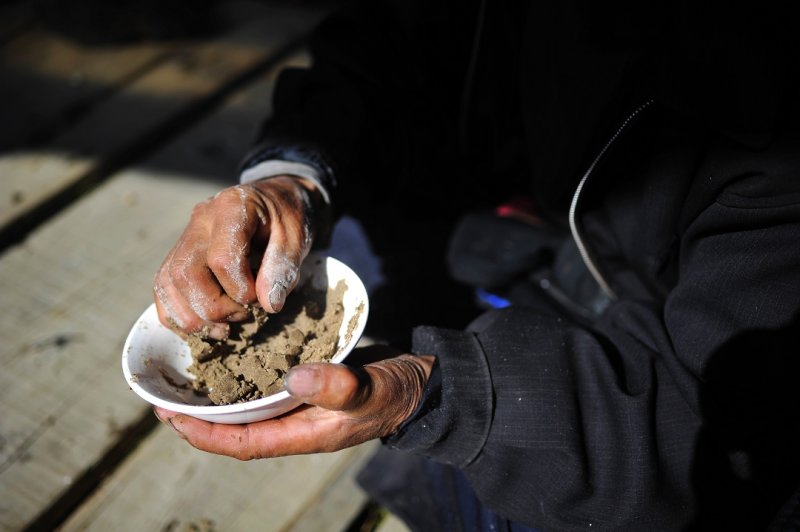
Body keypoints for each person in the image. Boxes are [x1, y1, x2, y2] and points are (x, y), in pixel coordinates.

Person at [151, 1, 800, 530]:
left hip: (705, 377)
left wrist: (444, 396)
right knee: (343, 245)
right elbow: (388, 41)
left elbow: (717, 422)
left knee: (513, 494)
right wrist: (291, 175)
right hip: (557, 232)